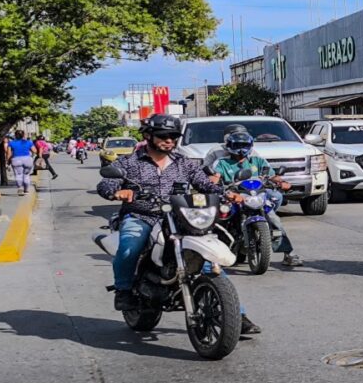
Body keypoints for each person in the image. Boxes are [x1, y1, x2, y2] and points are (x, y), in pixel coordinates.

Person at [96, 114, 262, 335]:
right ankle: (124, 290)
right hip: (142, 216)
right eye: (164, 136)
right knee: (130, 247)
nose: (169, 141)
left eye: (173, 136)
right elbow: (106, 182)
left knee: (207, 262)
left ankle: (237, 315)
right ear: (148, 136)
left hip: (180, 217)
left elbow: (204, 183)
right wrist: (117, 191)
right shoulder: (129, 162)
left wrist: (226, 193)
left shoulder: (183, 163)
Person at [209, 126, 304, 267]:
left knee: (273, 219)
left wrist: (282, 182)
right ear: (229, 146)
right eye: (237, 146)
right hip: (233, 196)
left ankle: (288, 254)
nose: (241, 150)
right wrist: (214, 184)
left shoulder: (256, 160)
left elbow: (271, 175)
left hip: (256, 195)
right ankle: (211, 257)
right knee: (217, 220)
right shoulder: (222, 162)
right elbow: (214, 178)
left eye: (244, 146)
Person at [6, 130, 36, 195]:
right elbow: (35, 151)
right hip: (27, 159)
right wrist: (31, 156)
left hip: (16, 159)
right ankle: (26, 190)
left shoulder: (11, 143)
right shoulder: (29, 142)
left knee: (18, 175)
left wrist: (8, 162)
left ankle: (20, 188)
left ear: (15, 135)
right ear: (23, 135)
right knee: (26, 175)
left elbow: (8, 154)